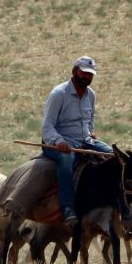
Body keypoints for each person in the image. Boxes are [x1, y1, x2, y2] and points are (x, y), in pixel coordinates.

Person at [40, 55, 113, 229]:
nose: (87, 77)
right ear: (74, 71)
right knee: (67, 159)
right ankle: (67, 208)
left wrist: (90, 132)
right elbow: (47, 126)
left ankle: (114, 204)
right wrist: (59, 141)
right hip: (56, 143)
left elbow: (90, 118)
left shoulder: (91, 95)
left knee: (113, 155)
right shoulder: (59, 94)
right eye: (84, 73)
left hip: (84, 141)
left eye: (90, 74)